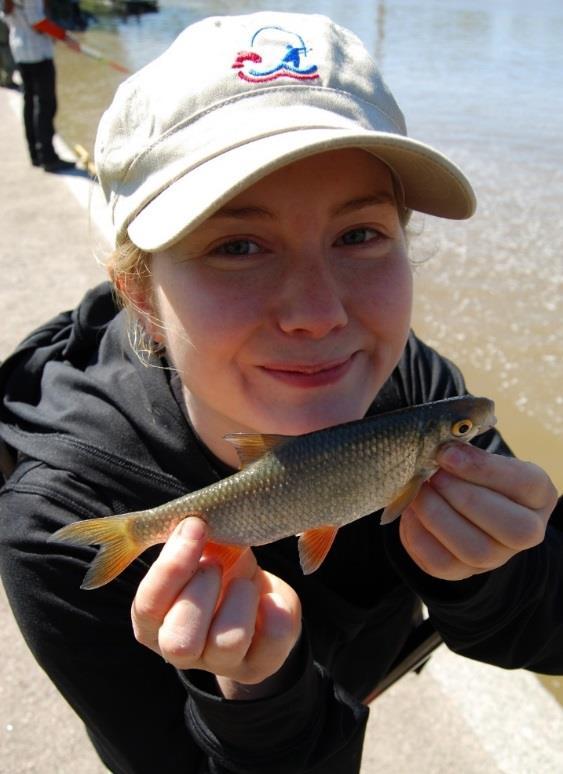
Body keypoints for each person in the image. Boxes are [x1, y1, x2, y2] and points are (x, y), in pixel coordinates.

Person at [0, 11, 561, 773]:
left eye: (358, 234)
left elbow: (545, 634)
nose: (318, 315)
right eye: (236, 246)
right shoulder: (58, 511)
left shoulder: (409, 383)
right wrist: (256, 700)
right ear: (140, 296)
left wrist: (497, 574)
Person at [1, 0, 75, 171]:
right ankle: (48, 156)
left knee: (30, 102)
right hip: (37, 52)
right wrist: (65, 36)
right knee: (46, 104)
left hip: (19, 49)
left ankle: (36, 154)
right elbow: (37, 22)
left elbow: (6, 14)